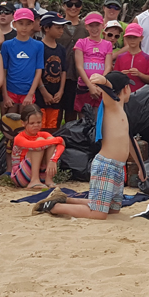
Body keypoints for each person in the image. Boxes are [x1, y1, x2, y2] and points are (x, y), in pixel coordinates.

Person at [34, 72, 134, 219]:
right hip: (106, 166)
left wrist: (141, 169)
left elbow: (130, 141)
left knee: (112, 210)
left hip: (117, 167)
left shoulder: (121, 110)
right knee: (99, 214)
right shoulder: (111, 105)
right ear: (125, 88)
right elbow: (108, 92)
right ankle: (55, 207)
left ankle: (65, 199)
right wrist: (104, 81)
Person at [55, 0, 90, 123]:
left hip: (78, 76)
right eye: (70, 4)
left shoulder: (85, 27)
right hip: (57, 75)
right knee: (56, 113)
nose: (73, 7)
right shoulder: (57, 25)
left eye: (77, 4)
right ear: (64, 6)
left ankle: (70, 140)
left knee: (72, 112)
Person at [10, 103, 64, 189]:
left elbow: (61, 146)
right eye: (32, 123)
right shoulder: (19, 138)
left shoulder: (43, 134)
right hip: (21, 176)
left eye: (39, 122)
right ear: (23, 123)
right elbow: (35, 145)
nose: (36, 125)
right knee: (41, 142)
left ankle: (48, 179)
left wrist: (53, 160)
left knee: (50, 144)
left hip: (40, 173)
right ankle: (34, 180)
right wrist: (59, 140)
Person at [73, 12, 115, 116]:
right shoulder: (81, 43)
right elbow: (79, 66)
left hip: (101, 87)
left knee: (99, 117)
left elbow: (108, 66)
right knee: (83, 117)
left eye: (97, 25)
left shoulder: (107, 44)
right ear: (86, 26)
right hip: (84, 85)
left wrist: (100, 85)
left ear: (103, 25)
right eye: (91, 26)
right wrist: (90, 85)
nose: (94, 28)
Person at [1, 8, 43, 111]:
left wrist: (30, 94)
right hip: (11, 90)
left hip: (28, 91)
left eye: (28, 24)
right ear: (14, 24)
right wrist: (5, 95)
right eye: (21, 23)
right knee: (10, 121)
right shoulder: (7, 45)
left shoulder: (38, 45)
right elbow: (3, 71)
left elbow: (38, 71)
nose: (24, 27)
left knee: (26, 121)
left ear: (33, 25)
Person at [36, 15, 70, 131]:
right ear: (46, 28)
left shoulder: (61, 48)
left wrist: (61, 91)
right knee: (40, 125)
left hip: (56, 94)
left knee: (53, 126)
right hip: (41, 94)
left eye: (62, 27)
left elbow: (63, 70)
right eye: (58, 27)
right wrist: (43, 92)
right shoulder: (39, 46)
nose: (61, 31)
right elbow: (37, 70)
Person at [113, 22, 149, 90]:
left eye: (135, 37)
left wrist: (139, 74)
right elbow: (114, 77)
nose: (132, 40)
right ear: (125, 38)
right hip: (123, 94)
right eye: (129, 37)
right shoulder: (120, 57)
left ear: (141, 38)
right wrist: (120, 75)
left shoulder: (146, 58)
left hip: (140, 94)